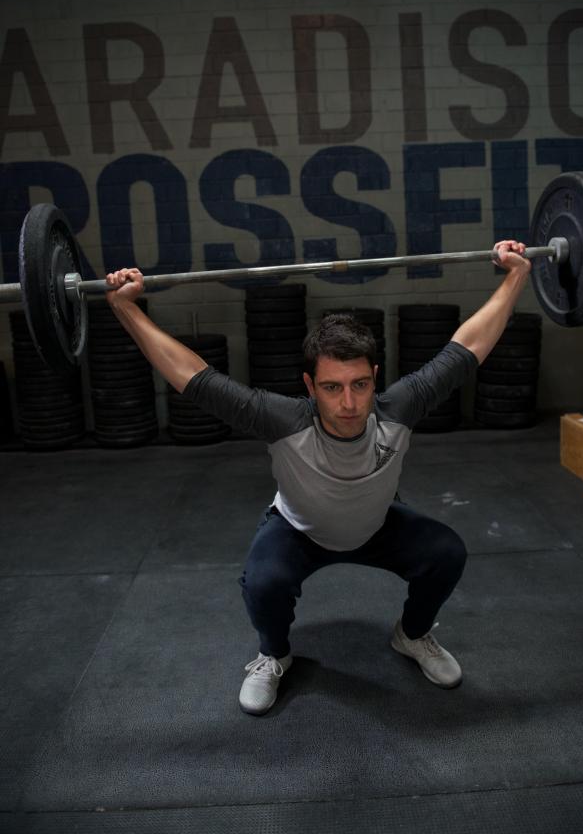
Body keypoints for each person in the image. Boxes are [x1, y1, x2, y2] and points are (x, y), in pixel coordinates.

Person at [105, 240, 531, 715]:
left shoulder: (400, 408)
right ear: (309, 386)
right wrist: (127, 308)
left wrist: (516, 274)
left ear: (374, 375)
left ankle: (412, 636)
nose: (349, 404)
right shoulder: (282, 419)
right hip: (299, 530)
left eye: (360, 385)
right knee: (263, 583)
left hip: (375, 526)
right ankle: (273, 655)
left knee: (447, 552)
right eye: (331, 388)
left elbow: (469, 345)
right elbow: (191, 376)